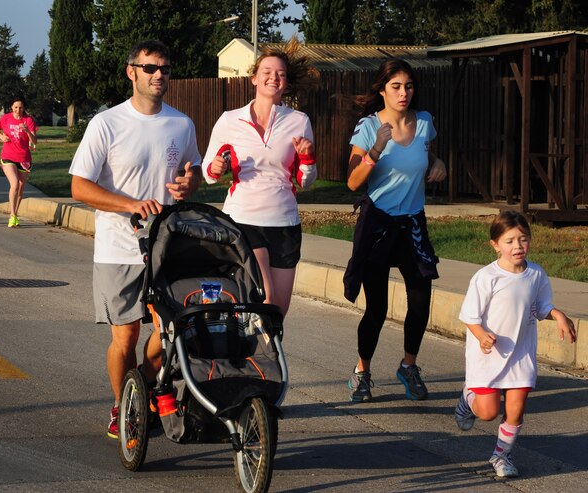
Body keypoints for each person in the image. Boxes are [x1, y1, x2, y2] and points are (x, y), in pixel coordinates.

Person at [68, 39, 202, 439]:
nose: (159, 75)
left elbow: (191, 173)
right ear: (132, 72)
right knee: (124, 336)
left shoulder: (181, 123)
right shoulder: (106, 123)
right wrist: (129, 204)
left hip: (166, 247)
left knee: (170, 332)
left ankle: (140, 383)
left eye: (164, 68)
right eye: (150, 68)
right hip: (118, 249)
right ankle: (123, 406)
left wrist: (189, 182)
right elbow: (79, 187)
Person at [342, 59, 447, 403]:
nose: (404, 93)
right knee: (377, 308)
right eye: (396, 87)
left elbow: (428, 157)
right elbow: (353, 181)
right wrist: (376, 149)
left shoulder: (425, 122)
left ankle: (409, 365)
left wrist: (438, 164)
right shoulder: (369, 127)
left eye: (409, 86)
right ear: (382, 90)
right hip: (378, 224)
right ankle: (362, 372)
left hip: (413, 223)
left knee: (420, 300)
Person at [454, 210, 576, 478]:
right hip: (487, 356)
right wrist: (481, 334)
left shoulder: (536, 274)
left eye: (523, 239)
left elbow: (542, 304)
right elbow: (469, 316)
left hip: (520, 354)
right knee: (487, 413)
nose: (518, 246)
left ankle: (501, 456)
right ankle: (467, 398)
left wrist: (557, 315)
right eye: (509, 241)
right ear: (495, 245)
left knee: (516, 409)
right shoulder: (487, 277)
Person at [203, 39, 318, 317]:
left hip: (284, 223)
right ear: (254, 78)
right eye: (267, 72)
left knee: (277, 313)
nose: (273, 78)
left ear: (286, 82)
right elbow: (208, 172)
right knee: (264, 297)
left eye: (280, 74)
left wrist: (308, 158)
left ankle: (258, 359)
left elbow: (306, 181)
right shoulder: (230, 120)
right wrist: (216, 168)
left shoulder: (298, 120)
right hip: (243, 219)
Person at [0, 96, 38, 227]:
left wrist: (27, 132)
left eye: (21, 107)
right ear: (11, 107)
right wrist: (1, 136)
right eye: (16, 107)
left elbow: (35, 141)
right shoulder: (6, 118)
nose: (18, 110)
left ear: (24, 108)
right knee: (15, 184)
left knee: (20, 187)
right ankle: (12, 215)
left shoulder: (28, 120)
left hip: (24, 158)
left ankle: (15, 214)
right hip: (8, 156)